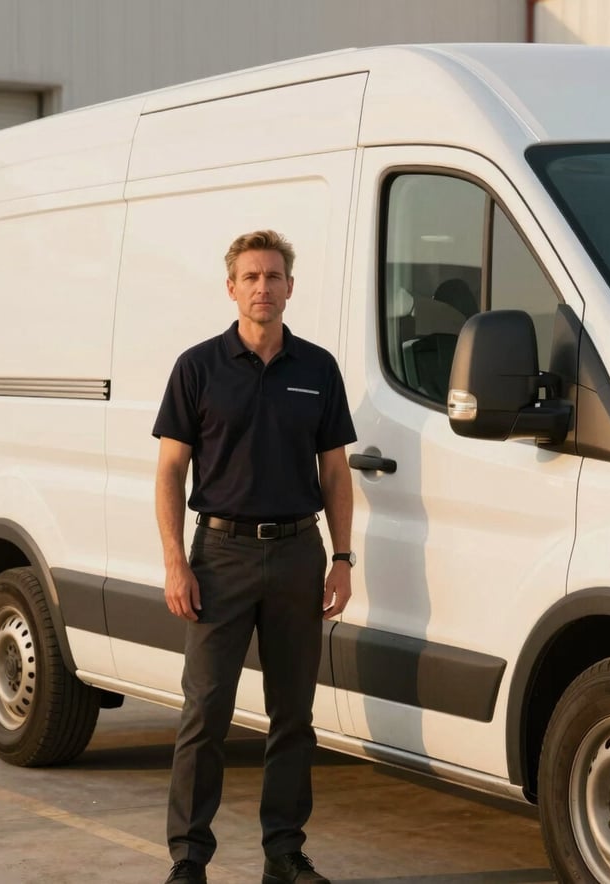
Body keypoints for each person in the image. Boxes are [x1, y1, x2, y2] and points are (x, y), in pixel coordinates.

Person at [153, 230, 357, 884]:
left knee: (293, 715)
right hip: (219, 554)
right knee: (204, 714)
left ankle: (284, 855)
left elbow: (335, 473)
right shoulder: (197, 367)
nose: (263, 287)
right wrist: (175, 563)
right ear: (232, 287)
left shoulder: (317, 369)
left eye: (273, 276)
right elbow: (168, 473)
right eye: (251, 277)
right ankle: (188, 860)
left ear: (290, 287)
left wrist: (343, 558)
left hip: (300, 553)